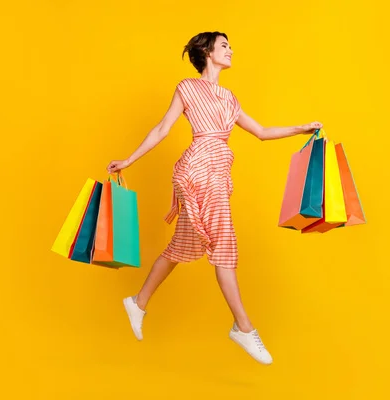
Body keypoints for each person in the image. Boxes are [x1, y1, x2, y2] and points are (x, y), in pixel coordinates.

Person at [107, 31, 322, 365]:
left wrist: (300, 128)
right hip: (198, 169)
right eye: (225, 45)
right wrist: (130, 159)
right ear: (207, 51)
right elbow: (162, 129)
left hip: (218, 172)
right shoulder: (187, 88)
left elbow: (262, 132)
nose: (231, 50)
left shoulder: (230, 98)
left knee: (183, 245)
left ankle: (138, 302)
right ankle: (244, 327)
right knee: (224, 245)